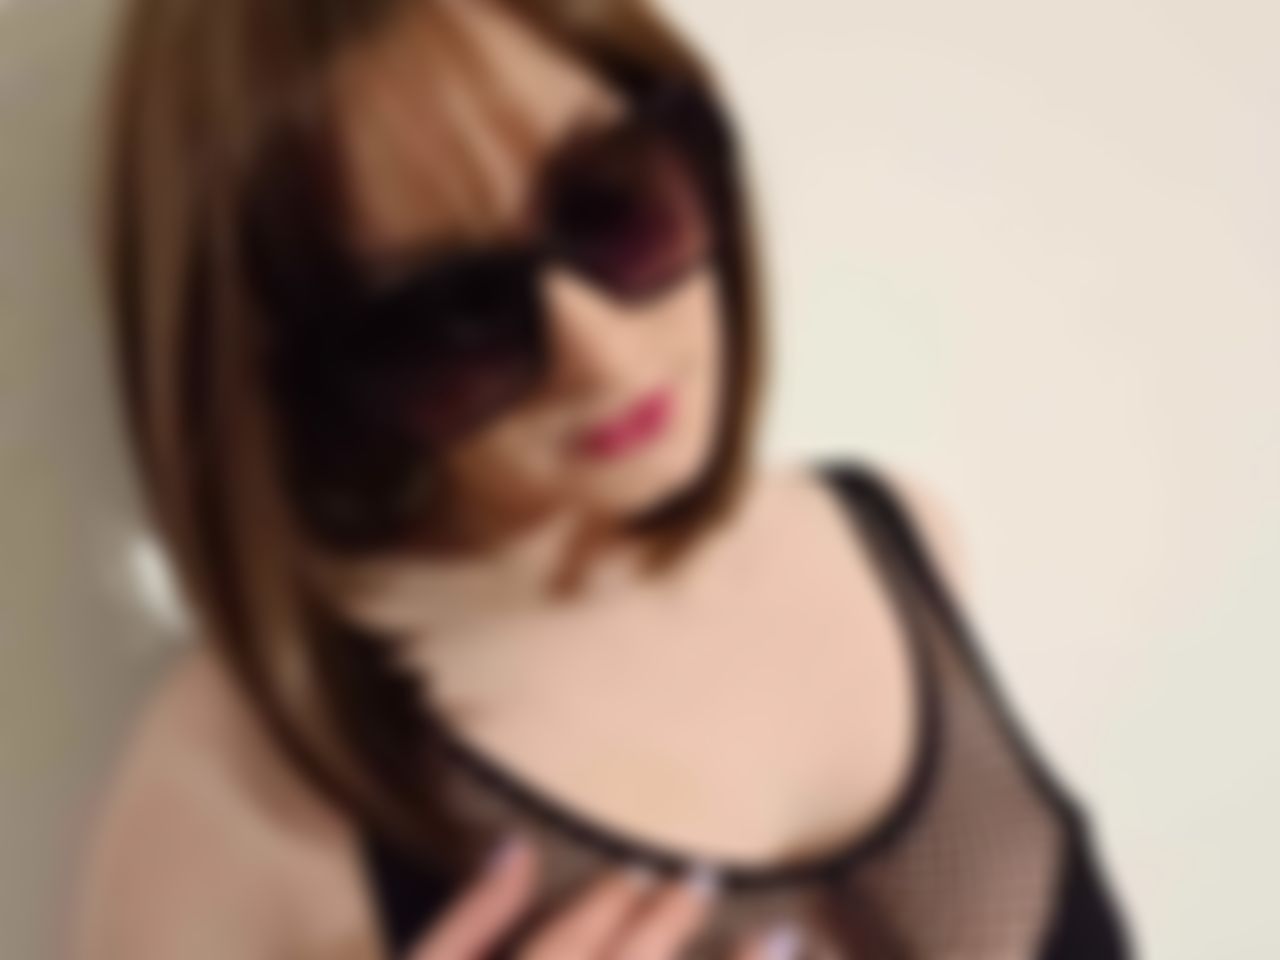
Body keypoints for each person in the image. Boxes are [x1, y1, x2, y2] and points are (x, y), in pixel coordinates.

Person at [69, 0, 1133, 957]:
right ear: (298, 368)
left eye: (616, 206)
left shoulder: (898, 540)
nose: (603, 357)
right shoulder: (231, 792)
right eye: (456, 315)